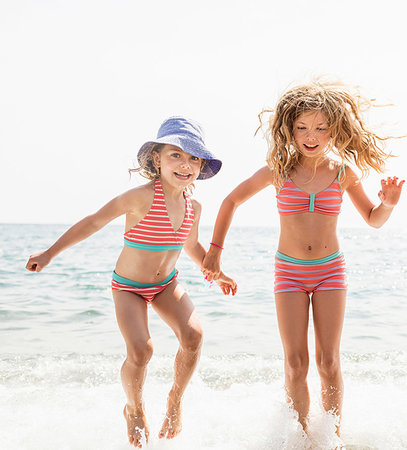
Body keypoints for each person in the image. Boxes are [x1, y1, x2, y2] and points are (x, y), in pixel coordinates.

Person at [201, 81, 404, 437]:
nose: (311, 136)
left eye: (321, 128)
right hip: (289, 273)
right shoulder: (277, 171)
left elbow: (373, 219)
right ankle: (301, 437)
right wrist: (215, 253)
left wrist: (387, 203)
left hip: (330, 272)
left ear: (334, 131)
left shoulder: (343, 173)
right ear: (290, 129)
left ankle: (332, 438)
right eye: (303, 128)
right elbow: (230, 201)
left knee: (328, 361)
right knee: (296, 364)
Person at [26, 116, 237, 448]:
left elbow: (191, 246)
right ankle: (134, 408)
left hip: (166, 283)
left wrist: (216, 271)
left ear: (201, 166)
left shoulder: (193, 206)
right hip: (128, 287)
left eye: (193, 158)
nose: (185, 164)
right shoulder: (140, 197)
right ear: (157, 158)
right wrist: (50, 253)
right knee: (142, 350)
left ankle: (175, 400)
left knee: (194, 335)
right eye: (176, 155)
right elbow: (94, 222)